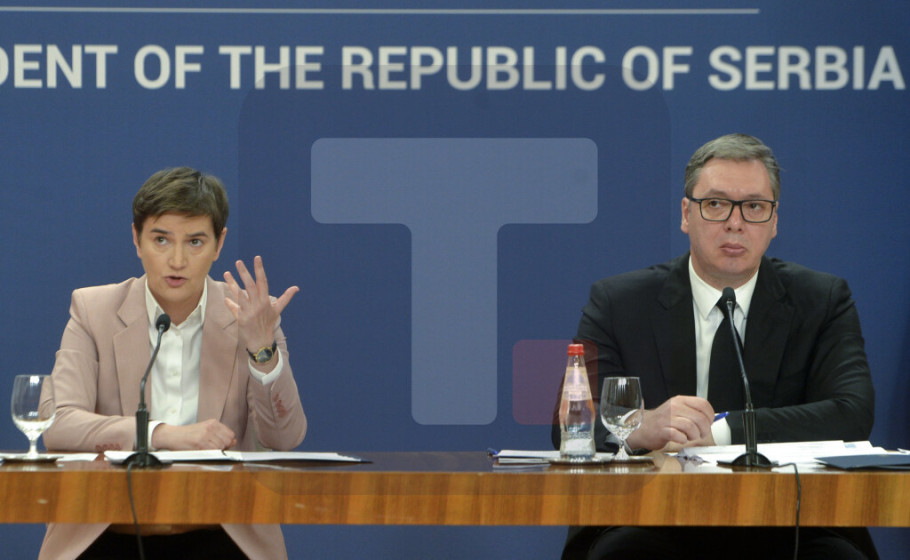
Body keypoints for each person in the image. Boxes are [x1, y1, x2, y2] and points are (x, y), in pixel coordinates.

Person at [558, 134, 877, 559]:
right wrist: (638, 428)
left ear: (775, 221)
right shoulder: (619, 303)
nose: (735, 223)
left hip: (791, 521)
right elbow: (572, 425)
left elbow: (852, 413)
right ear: (686, 214)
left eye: (754, 207)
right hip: (650, 517)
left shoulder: (822, 301)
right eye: (715, 204)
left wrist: (723, 431)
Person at [39, 167, 308, 560]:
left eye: (195, 241)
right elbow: (58, 425)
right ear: (137, 239)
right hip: (108, 528)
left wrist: (262, 349)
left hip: (222, 530)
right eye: (161, 239)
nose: (177, 260)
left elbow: (285, 437)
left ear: (219, 244)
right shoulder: (93, 310)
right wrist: (162, 435)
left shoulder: (251, 317)